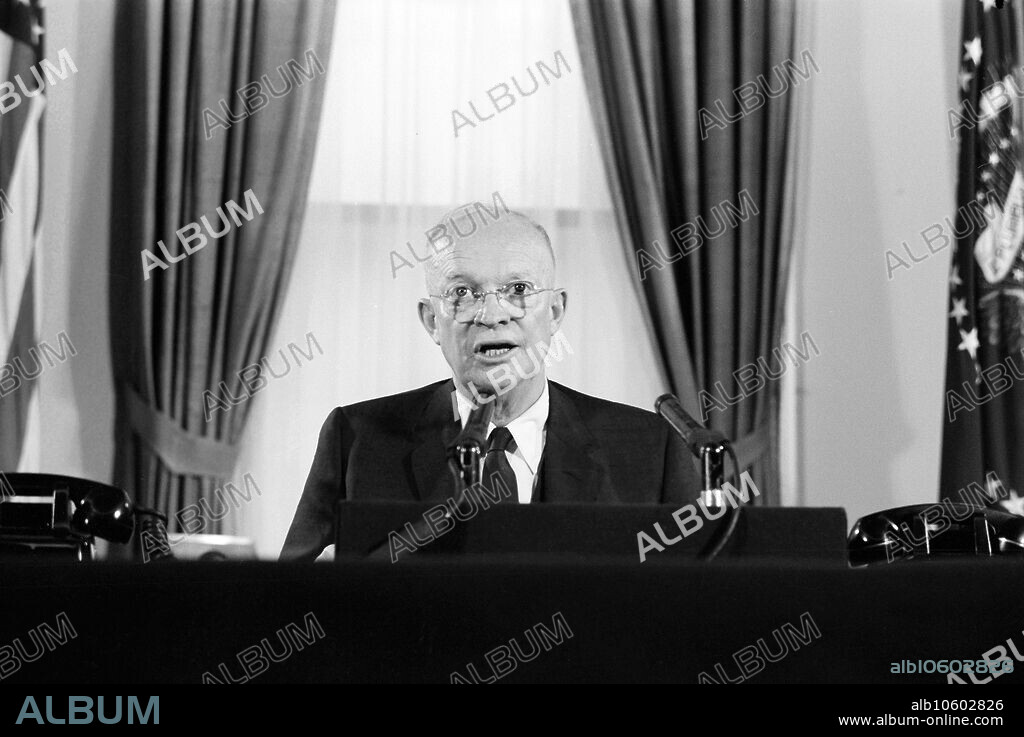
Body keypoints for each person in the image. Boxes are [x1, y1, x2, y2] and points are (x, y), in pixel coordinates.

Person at [280, 205, 700, 561]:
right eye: (463, 293)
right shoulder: (358, 438)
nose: (492, 314)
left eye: (518, 289)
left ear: (555, 312)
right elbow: (288, 602)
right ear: (432, 321)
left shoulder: (650, 449)